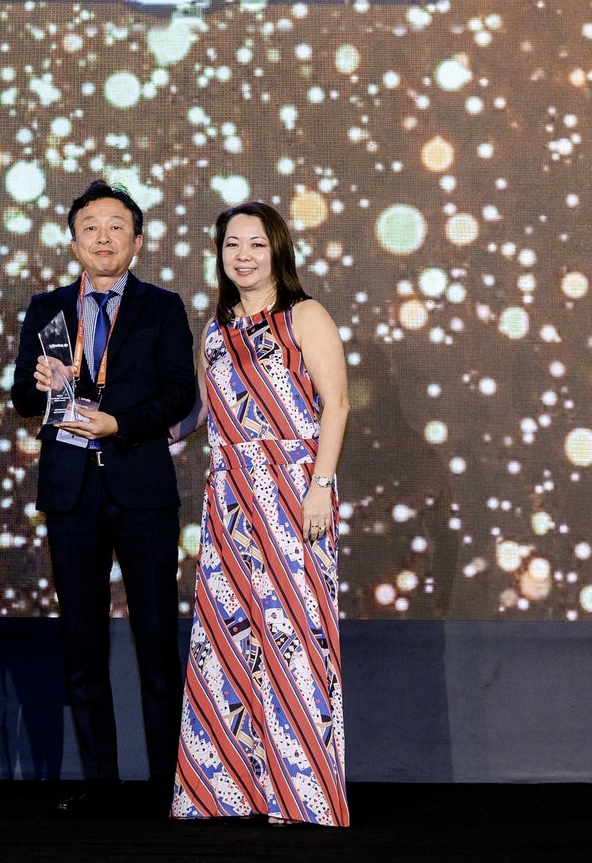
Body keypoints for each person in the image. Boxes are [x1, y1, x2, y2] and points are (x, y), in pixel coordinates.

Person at [9, 179, 197, 814]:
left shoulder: (162, 307)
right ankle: (99, 782)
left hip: (141, 488)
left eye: (116, 227)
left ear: (137, 241)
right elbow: (22, 398)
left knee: (156, 639)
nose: (103, 237)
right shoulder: (47, 308)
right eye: (90, 227)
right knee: (82, 641)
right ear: (73, 242)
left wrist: (118, 422)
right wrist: (43, 383)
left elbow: (179, 393)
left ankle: (170, 785)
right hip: (71, 492)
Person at [171, 200, 350, 827]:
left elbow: (337, 405)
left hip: (295, 489)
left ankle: (301, 795)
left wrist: (320, 485)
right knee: (229, 638)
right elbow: (201, 414)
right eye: (231, 245)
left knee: (294, 634)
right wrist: (134, 429)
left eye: (255, 244)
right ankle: (228, 791)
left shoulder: (305, 315)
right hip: (229, 496)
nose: (242, 256)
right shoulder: (215, 329)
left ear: (277, 250)